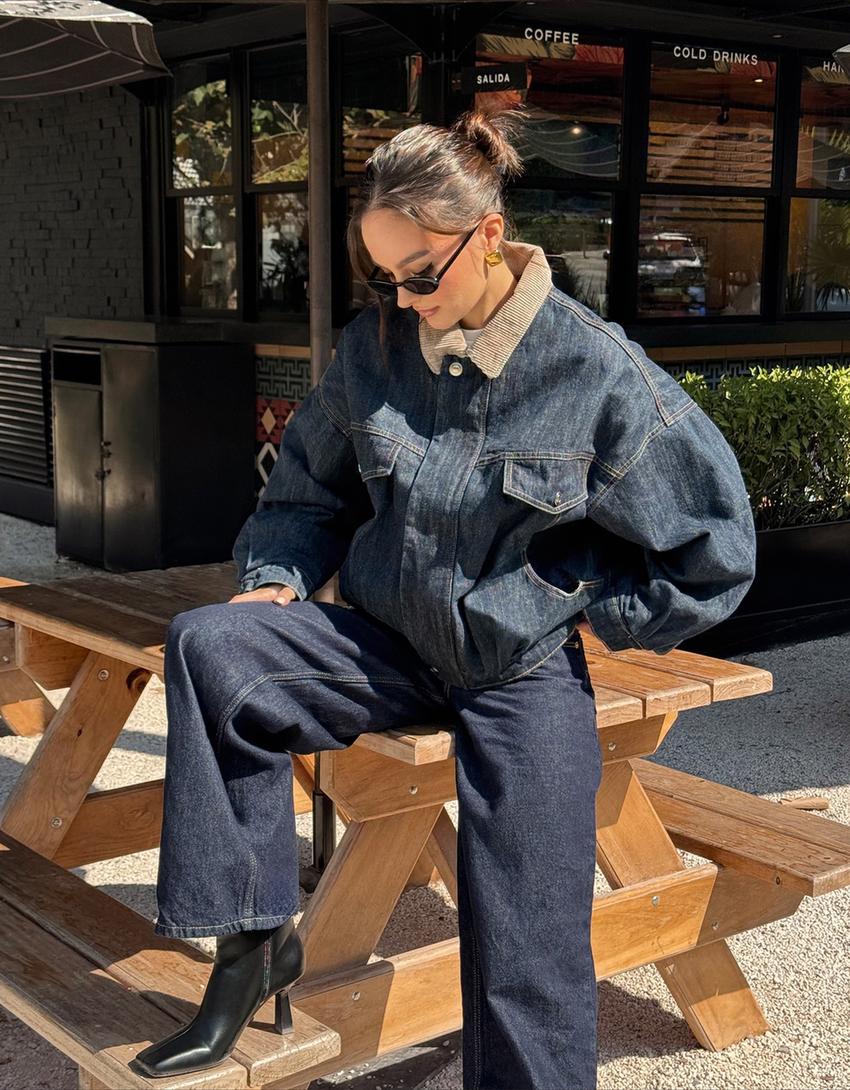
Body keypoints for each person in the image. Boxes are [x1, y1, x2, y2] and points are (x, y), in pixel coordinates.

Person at [131, 105, 757, 1088]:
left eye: (420, 273)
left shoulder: (594, 370)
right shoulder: (375, 348)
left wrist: (584, 605)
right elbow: (304, 491)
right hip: (384, 640)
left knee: (527, 928)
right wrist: (275, 581)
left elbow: (713, 548)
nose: (404, 297)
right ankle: (251, 950)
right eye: (385, 278)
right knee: (211, 647)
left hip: (517, 667)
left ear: (489, 236)